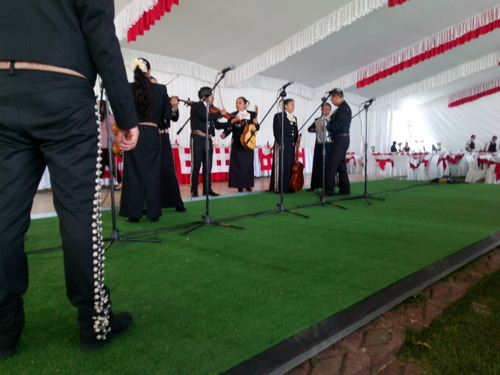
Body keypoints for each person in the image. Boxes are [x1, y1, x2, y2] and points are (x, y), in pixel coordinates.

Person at [0, 1, 139, 359]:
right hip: (64, 89)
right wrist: (126, 115)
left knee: (2, 217)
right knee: (79, 217)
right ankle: (94, 323)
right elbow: (100, 34)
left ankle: (3, 330)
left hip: (3, 84)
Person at [119, 58, 179, 222]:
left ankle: (133, 213)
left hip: (134, 131)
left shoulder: (129, 88)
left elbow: (123, 113)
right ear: (149, 71)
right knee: (153, 172)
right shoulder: (160, 89)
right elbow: (167, 116)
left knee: (133, 172)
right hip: (153, 132)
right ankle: (153, 213)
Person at [189, 87, 228, 197]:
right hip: (197, 138)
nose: (213, 97)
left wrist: (230, 123)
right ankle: (194, 189)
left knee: (208, 165)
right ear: (204, 96)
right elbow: (206, 117)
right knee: (196, 164)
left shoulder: (211, 109)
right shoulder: (197, 106)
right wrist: (221, 113)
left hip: (208, 139)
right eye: (211, 95)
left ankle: (207, 189)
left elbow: (217, 124)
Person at [222, 97, 259, 192]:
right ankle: (239, 186)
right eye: (236, 103)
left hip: (249, 143)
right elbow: (229, 127)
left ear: (245, 104)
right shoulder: (233, 115)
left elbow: (255, 129)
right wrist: (225, 133)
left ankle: (248, 185)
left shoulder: (252, 114)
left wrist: (257, 124)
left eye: (240, 102)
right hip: (238, 142)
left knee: (248, 165)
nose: (237, 104)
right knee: (238, 165)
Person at [270, 98, 299, 193]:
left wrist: (297, 140)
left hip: (291, 144)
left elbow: (296, 131)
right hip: (282, 143)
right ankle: (279, 187)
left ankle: (289, 186)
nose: (293, 106)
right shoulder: (278, 116)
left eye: (294, 104)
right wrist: (279, 142)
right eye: (291, 104)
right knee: (282, 165)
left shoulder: (294, 117)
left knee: (290, 164)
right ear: (285, 106)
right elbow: (276, 131)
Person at [325, 89, 351, 196]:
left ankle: (329, 191)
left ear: (336, 97)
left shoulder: (342, 109)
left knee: (332, 164)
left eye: (332, 99)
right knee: (341, 166)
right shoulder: (343, 108)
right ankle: (345, 189)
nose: (331, 101)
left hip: (341, 139)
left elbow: (337, 125)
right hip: (342, 139)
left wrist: (327, 125)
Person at [307, 103, 332, 191]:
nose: (326, 111)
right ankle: (314, 185)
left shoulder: (332, 120)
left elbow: (335, 131)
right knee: (317, 164)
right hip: (319, 144)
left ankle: (327, 186)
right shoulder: (317, 120)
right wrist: (315, 130)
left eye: (328, 109)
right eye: (325, 109)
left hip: (329, 145)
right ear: (321, 110)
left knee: (327, 165)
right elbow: (309, 129)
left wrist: (327, 127)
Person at [99, 100, 123, 190]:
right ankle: (120, 181)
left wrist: (115, 142)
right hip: (100, 146)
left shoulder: (110, 117)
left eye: (100, 107)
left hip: (107, 146)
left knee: (106, 165)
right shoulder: (99, 118)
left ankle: (120, 181)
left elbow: (116, 129)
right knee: (105, 165)